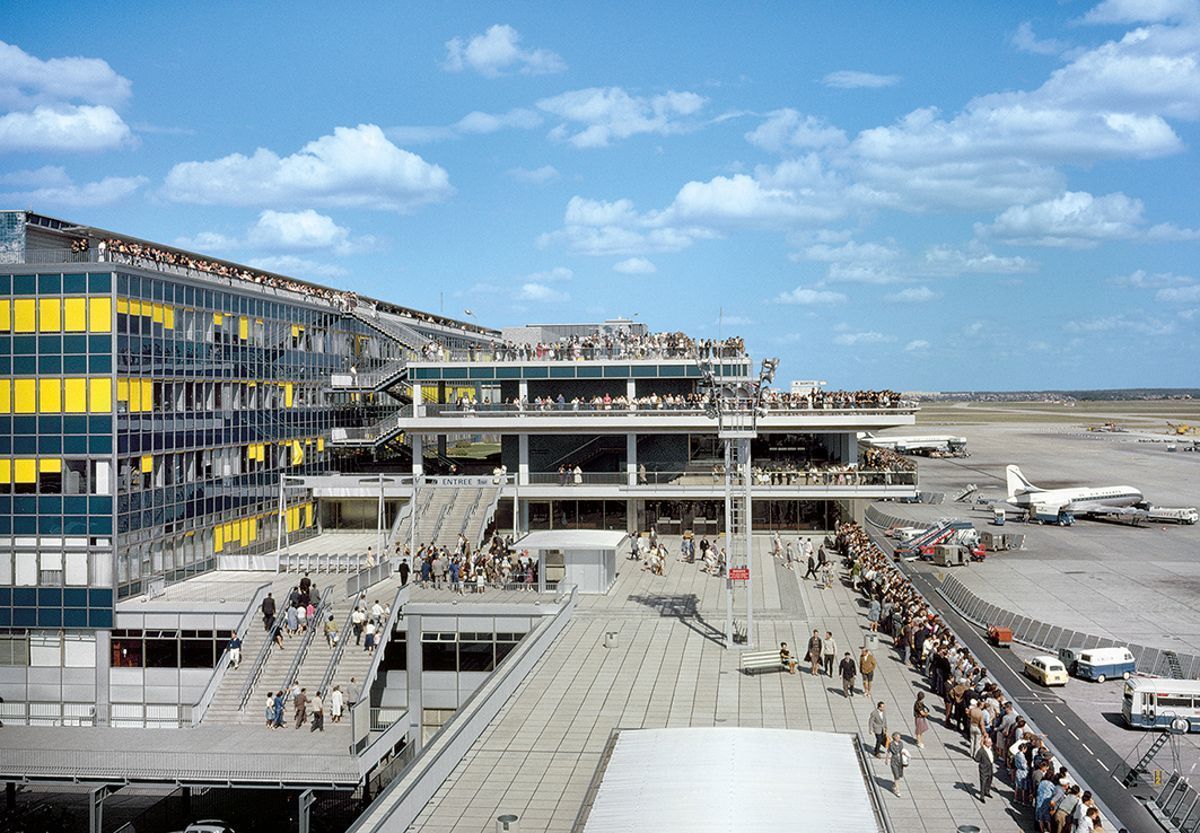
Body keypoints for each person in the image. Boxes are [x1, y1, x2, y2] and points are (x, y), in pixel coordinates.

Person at [975, 735, 995, 802]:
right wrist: (982, 763)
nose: (991, 744)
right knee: (983, 782)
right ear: (985, 743)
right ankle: (982, 796)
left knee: (989, 780)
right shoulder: (981, 751)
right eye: (989, 743)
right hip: (984, 768)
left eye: (991, 742)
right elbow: (977, 759)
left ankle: (987, 792)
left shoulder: (991, 748)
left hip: (990, 768)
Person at [888, 732, 907, 796]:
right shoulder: (891, 744)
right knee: (896, 776)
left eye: (899, 737)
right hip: (894, 761)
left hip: (900, 760)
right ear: (894, 737)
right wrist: (886, 759)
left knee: (899, 776)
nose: (899, 738)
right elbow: (889, 751)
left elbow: (901, 750)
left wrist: (904, 754)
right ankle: (897, 790)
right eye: (898, 737)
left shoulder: (901, 743)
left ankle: (894, 785)